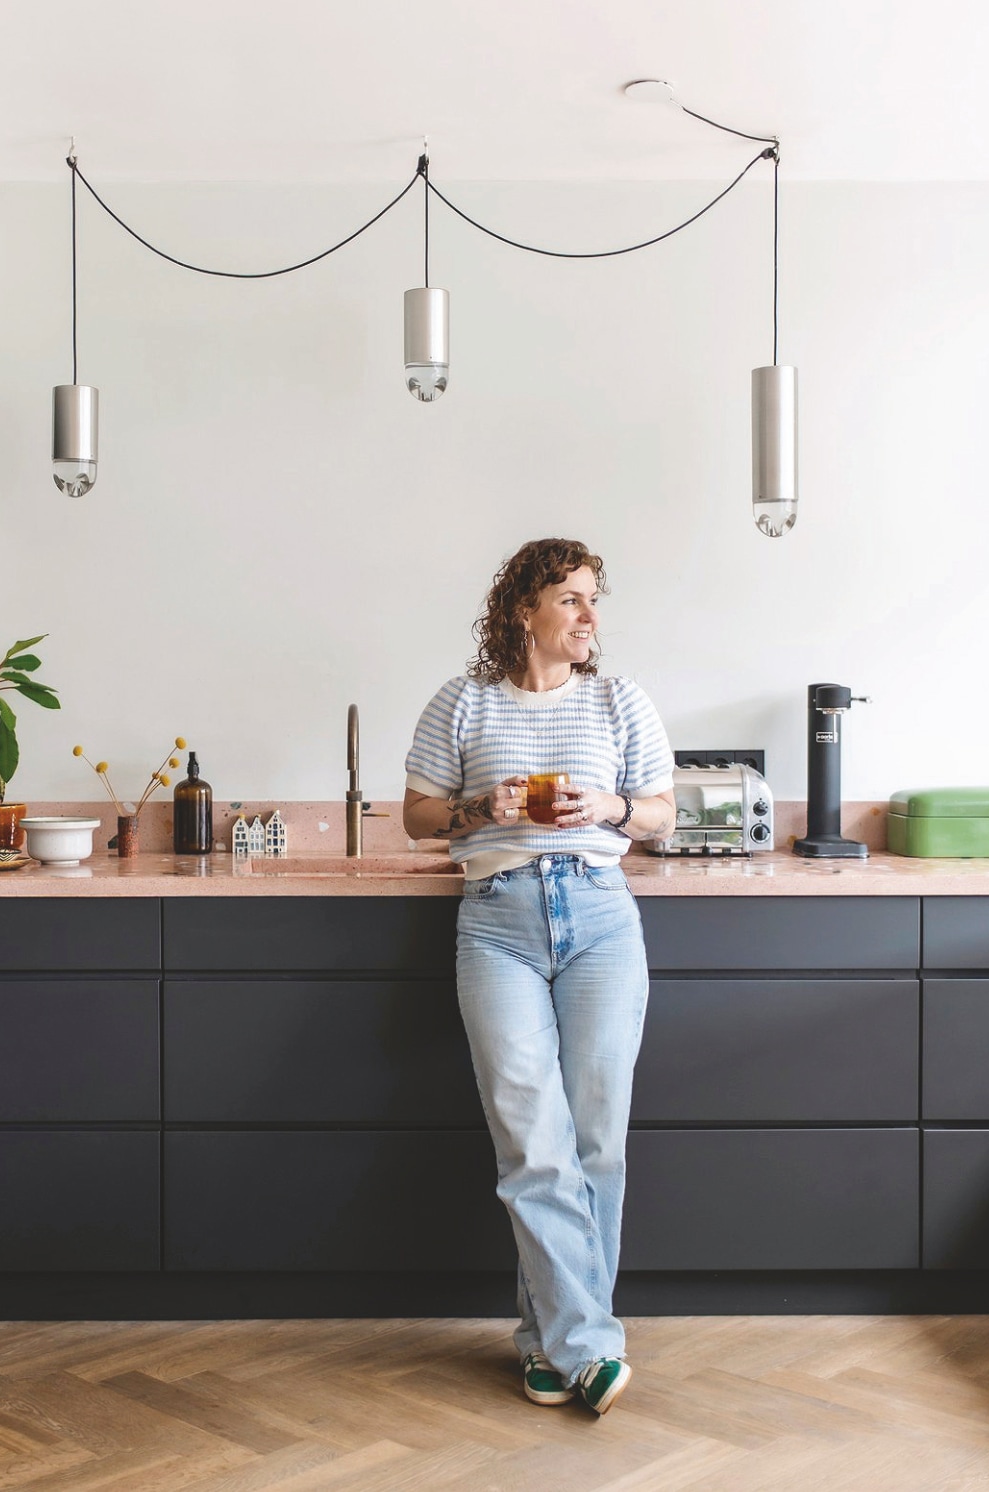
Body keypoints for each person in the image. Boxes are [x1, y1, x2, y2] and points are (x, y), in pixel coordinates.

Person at [403, 537, 676, 1417]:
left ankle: (552, 1346)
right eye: (572, 599)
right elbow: (416, 815)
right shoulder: (463, 702)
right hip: (499, 919)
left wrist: (609, 807)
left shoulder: (621, 701)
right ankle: (590, 1345)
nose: (591, 616)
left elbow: (665, 818)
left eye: (595, 599)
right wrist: (491, 805)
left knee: (596, 1141)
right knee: (531, 1136)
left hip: (600, 913)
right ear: (524, 609)